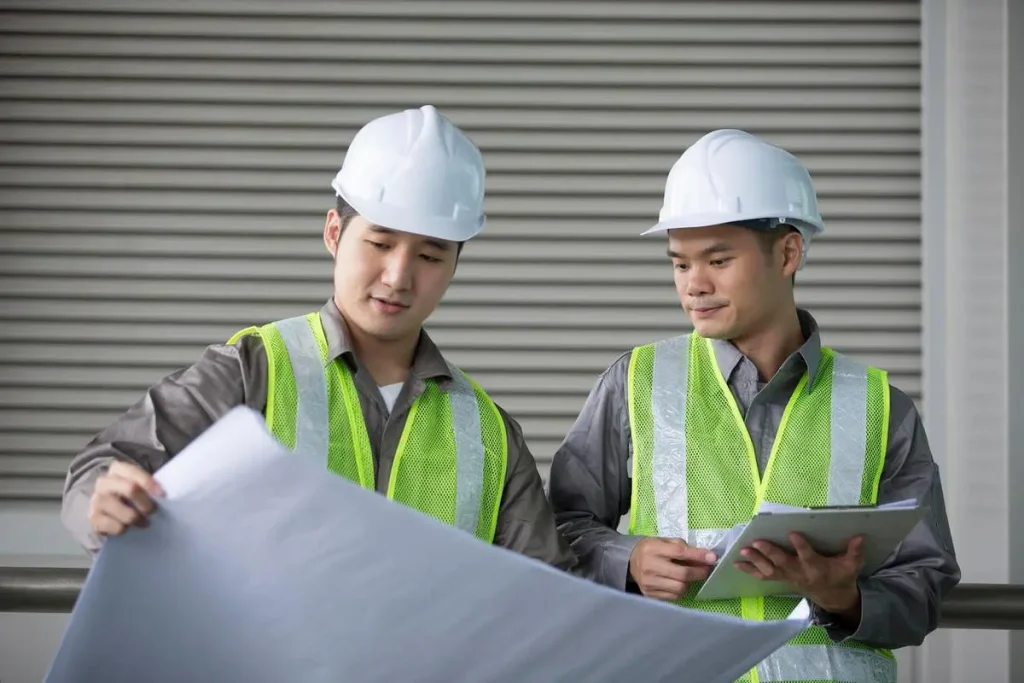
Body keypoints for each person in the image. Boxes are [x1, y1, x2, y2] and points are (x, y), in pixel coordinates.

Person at [61, 105, 576, 572]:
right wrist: (102, 501)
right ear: (334, 233)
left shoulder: (489, 434)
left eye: (430, 255)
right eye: (380, 242)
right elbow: (103, 464)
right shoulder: (252, 372)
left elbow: (545, 594)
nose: (398, 276)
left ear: (454, 265)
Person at [548, 129, 959, 681]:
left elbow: (926, 581)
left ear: (787, 252)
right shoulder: (635, 383)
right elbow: (559, 529)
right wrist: (628, 561)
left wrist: (845, 599)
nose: (694, 285)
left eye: (718, 260)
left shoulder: (881, 407)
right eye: (679, 264)